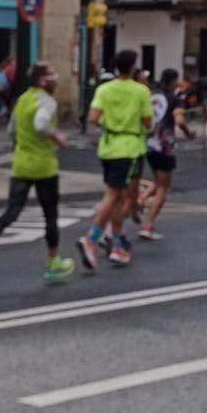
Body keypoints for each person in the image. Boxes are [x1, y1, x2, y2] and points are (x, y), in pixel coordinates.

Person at [0, 61, 75, 285]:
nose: (56, 78)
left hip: (21, 164)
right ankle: (53, 263)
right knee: (50, 216)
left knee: (13, 210)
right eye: (52, 74)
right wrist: (57, 138)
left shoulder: (22, 100)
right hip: (44, 166)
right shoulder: (46, 101)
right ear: (43, 80)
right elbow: (42, 124)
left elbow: (11, 131)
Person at [78, 48, 153, 271]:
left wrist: (110, 126)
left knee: (119, 198)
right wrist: (130, 127)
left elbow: (93, 118)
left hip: (108, 147)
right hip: (130, 148)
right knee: (114, 196)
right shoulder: (141, 91)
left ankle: (117, 244)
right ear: (132, 68)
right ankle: (91, 238)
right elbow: (148, 123)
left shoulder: (104, 89)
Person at [139, 68, 192, 241]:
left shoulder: (152, 96)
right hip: (164, 147)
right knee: (164, 187)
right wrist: (188, 133)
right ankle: (148, 225)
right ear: (173, 81)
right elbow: (179, 120)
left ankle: (142, 198)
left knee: (158, 180)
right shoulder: (174, 100)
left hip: (148, 145)